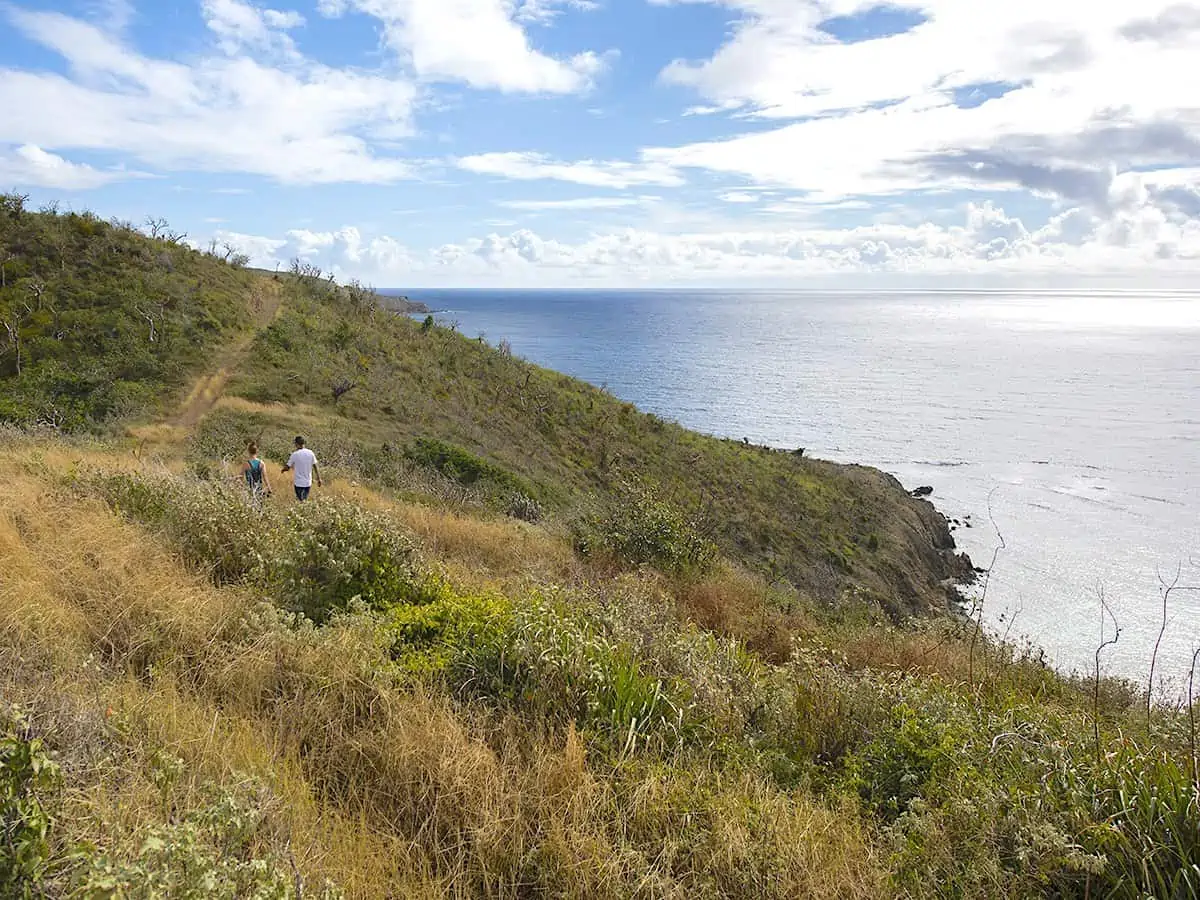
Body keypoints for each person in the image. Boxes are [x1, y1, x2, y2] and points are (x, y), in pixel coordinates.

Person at [281, 435, 321, 501]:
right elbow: (315, 466)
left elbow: (287, 467)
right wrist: (319, 479)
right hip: (308, 482)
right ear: (303, 443)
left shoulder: (295, 454)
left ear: (296, 444)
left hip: (298, 482)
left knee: (300, 500)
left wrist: (283, 470)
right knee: (304, 499)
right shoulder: (311, 453)